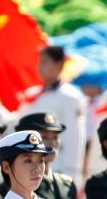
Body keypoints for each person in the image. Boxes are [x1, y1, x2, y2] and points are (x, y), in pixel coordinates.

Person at [16, 46, 88, 180]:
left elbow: (74, 139)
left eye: (45, 62)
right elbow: (16, 125)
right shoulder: (32, 94)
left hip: (58, 169)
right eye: (40, 62)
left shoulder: (70, 96)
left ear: (59, 65)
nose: (40, 66)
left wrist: (72, 176)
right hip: (30, 168)